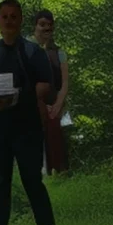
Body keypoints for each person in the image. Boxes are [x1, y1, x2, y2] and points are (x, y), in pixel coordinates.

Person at [0, 0, 57, 225]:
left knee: (33, 181)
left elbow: (46, 87)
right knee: (0, 184)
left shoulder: (33, 52)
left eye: (13, 16)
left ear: (21, 20)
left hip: (28, 129)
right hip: (0, 130)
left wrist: (21, 95)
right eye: (4, 17)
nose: (9, 21)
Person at [33, 9, 71, 174]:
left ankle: (56, 174)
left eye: (49, 25)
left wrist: (57, 104)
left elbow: (64, 82)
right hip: (32, 104)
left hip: (54, 105)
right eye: (42, 24)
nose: (46, 28)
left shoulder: (59, 52)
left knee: (55, 142)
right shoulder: (27, 48)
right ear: (35, 26)